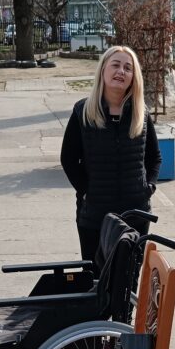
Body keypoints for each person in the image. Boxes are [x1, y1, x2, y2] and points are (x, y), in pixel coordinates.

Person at [61, 45, 161, 260]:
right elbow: (68, 159)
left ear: (133, 77)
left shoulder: (141, 114)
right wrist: (86, 191)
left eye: (128, 68)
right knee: (95, 275)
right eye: (115, 65)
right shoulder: (83, 112)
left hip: (136, 213)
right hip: (94, 214)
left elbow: (154, 158)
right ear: (103, 70)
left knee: (130, 275)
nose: (121, 71)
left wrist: (148, 188)